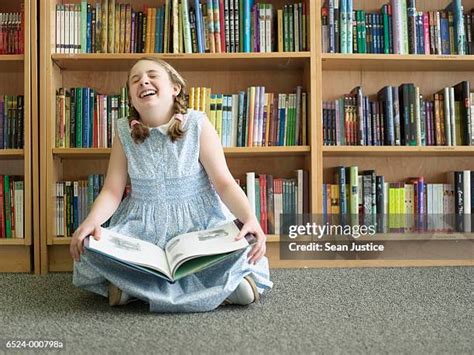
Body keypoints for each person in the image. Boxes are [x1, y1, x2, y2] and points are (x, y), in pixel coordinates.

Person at [70, 57, 273, 313]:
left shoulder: (198, 123)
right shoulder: (123, 131)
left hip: (197, 223)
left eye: (152, 75)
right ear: (132, 97)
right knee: (91, 247)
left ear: (175, 87)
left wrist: (249, 218)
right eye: (135, 80)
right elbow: (112, 190)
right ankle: (221, 290)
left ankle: (136, 291)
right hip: (142, 223)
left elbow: (224, 183)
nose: (143, 81)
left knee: (246, 245)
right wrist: (91, 221)